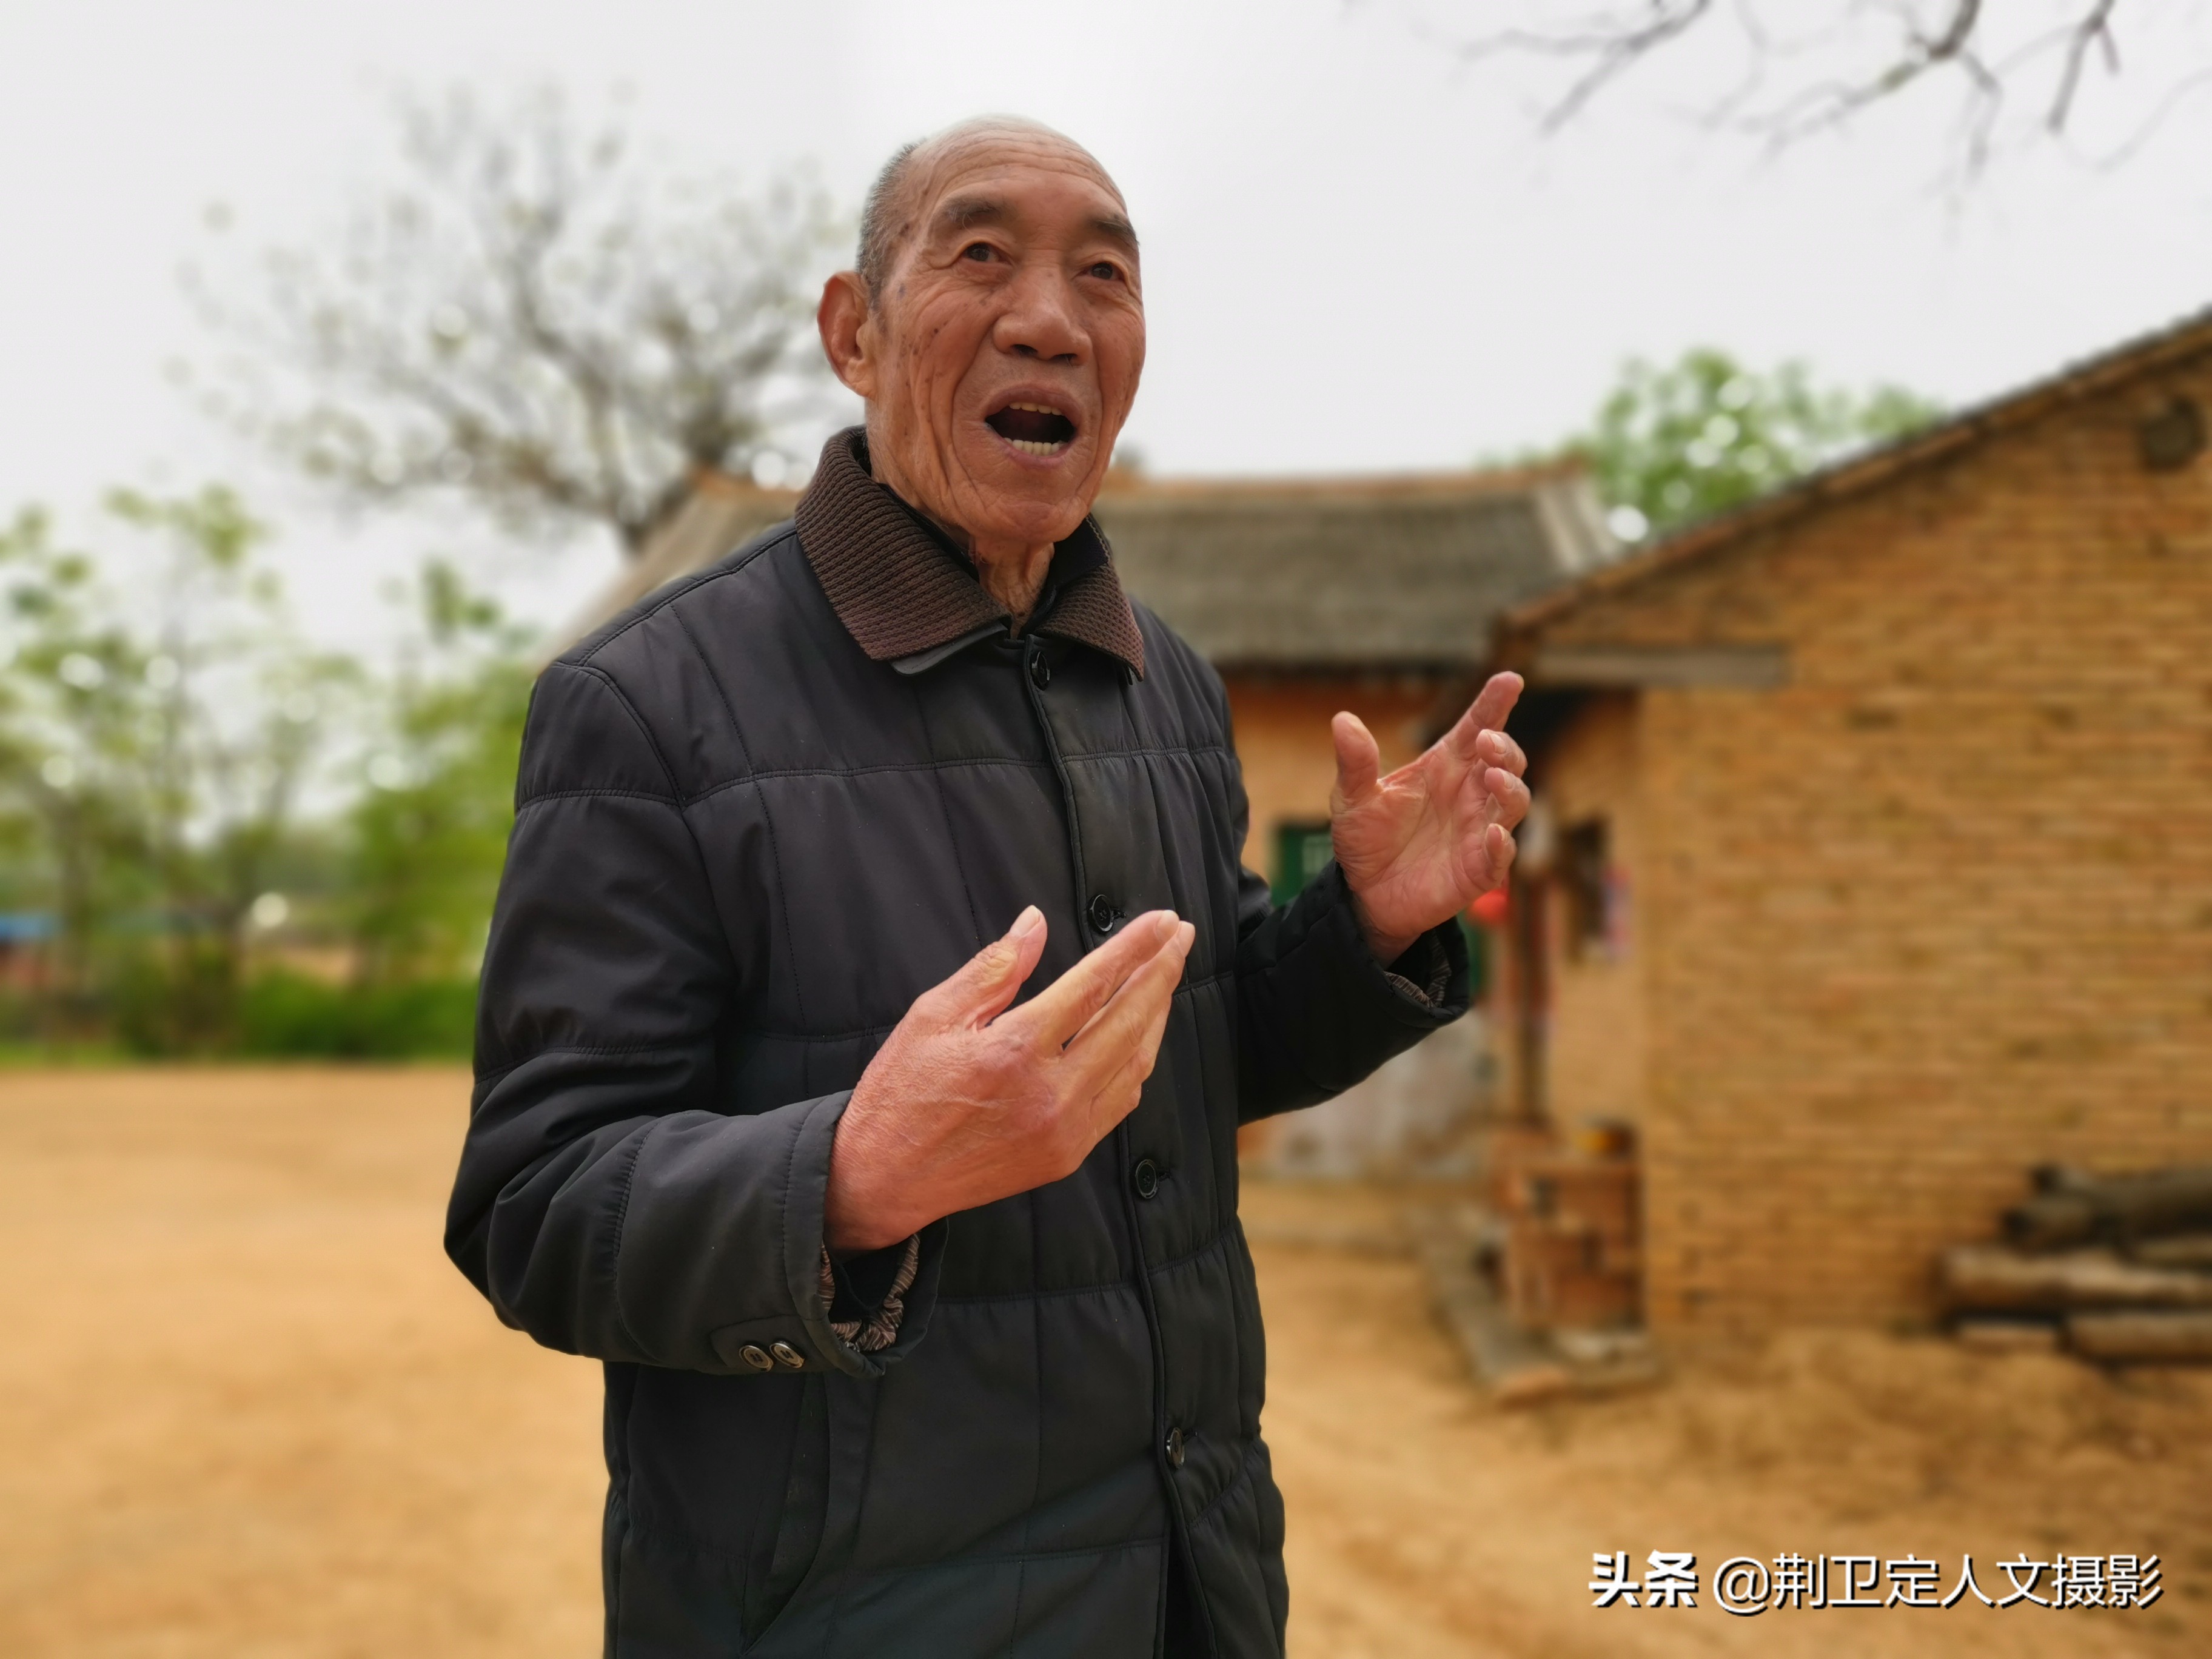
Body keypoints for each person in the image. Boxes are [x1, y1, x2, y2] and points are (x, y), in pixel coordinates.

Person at [446, 115, 1529, 1658]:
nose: (1051, 316)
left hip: (1191, 1579)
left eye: (1106, 272)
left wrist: (1369, 927)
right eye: (978, 255)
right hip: (842, 1613)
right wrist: (851, 1176)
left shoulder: (1166, 689)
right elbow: (536, 1206)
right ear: (854, 334)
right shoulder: (653, 703)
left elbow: (1188, 1053)